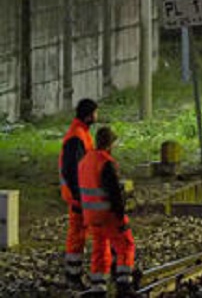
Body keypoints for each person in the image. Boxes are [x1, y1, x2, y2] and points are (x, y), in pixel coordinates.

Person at [78, 127, 135, 297]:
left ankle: (98, 287)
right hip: (108, 214)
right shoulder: (106, 162)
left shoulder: (85, 160)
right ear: (110, 144)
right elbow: (114, 193)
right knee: (126, 244)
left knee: (100, 248)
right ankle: (124, 284)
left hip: (90, 215)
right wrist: (121, 213)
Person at [60, 98, 98, 288]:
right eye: (95, 113)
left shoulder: (81, 133)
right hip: (78, 195)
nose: (97, 117)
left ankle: (74, 273)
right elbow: (70, 170)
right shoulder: (77, 136)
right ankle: (73, 276)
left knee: (79, 233)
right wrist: (79, 194)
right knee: (77, 234)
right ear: (89, 115)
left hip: (81, 193)